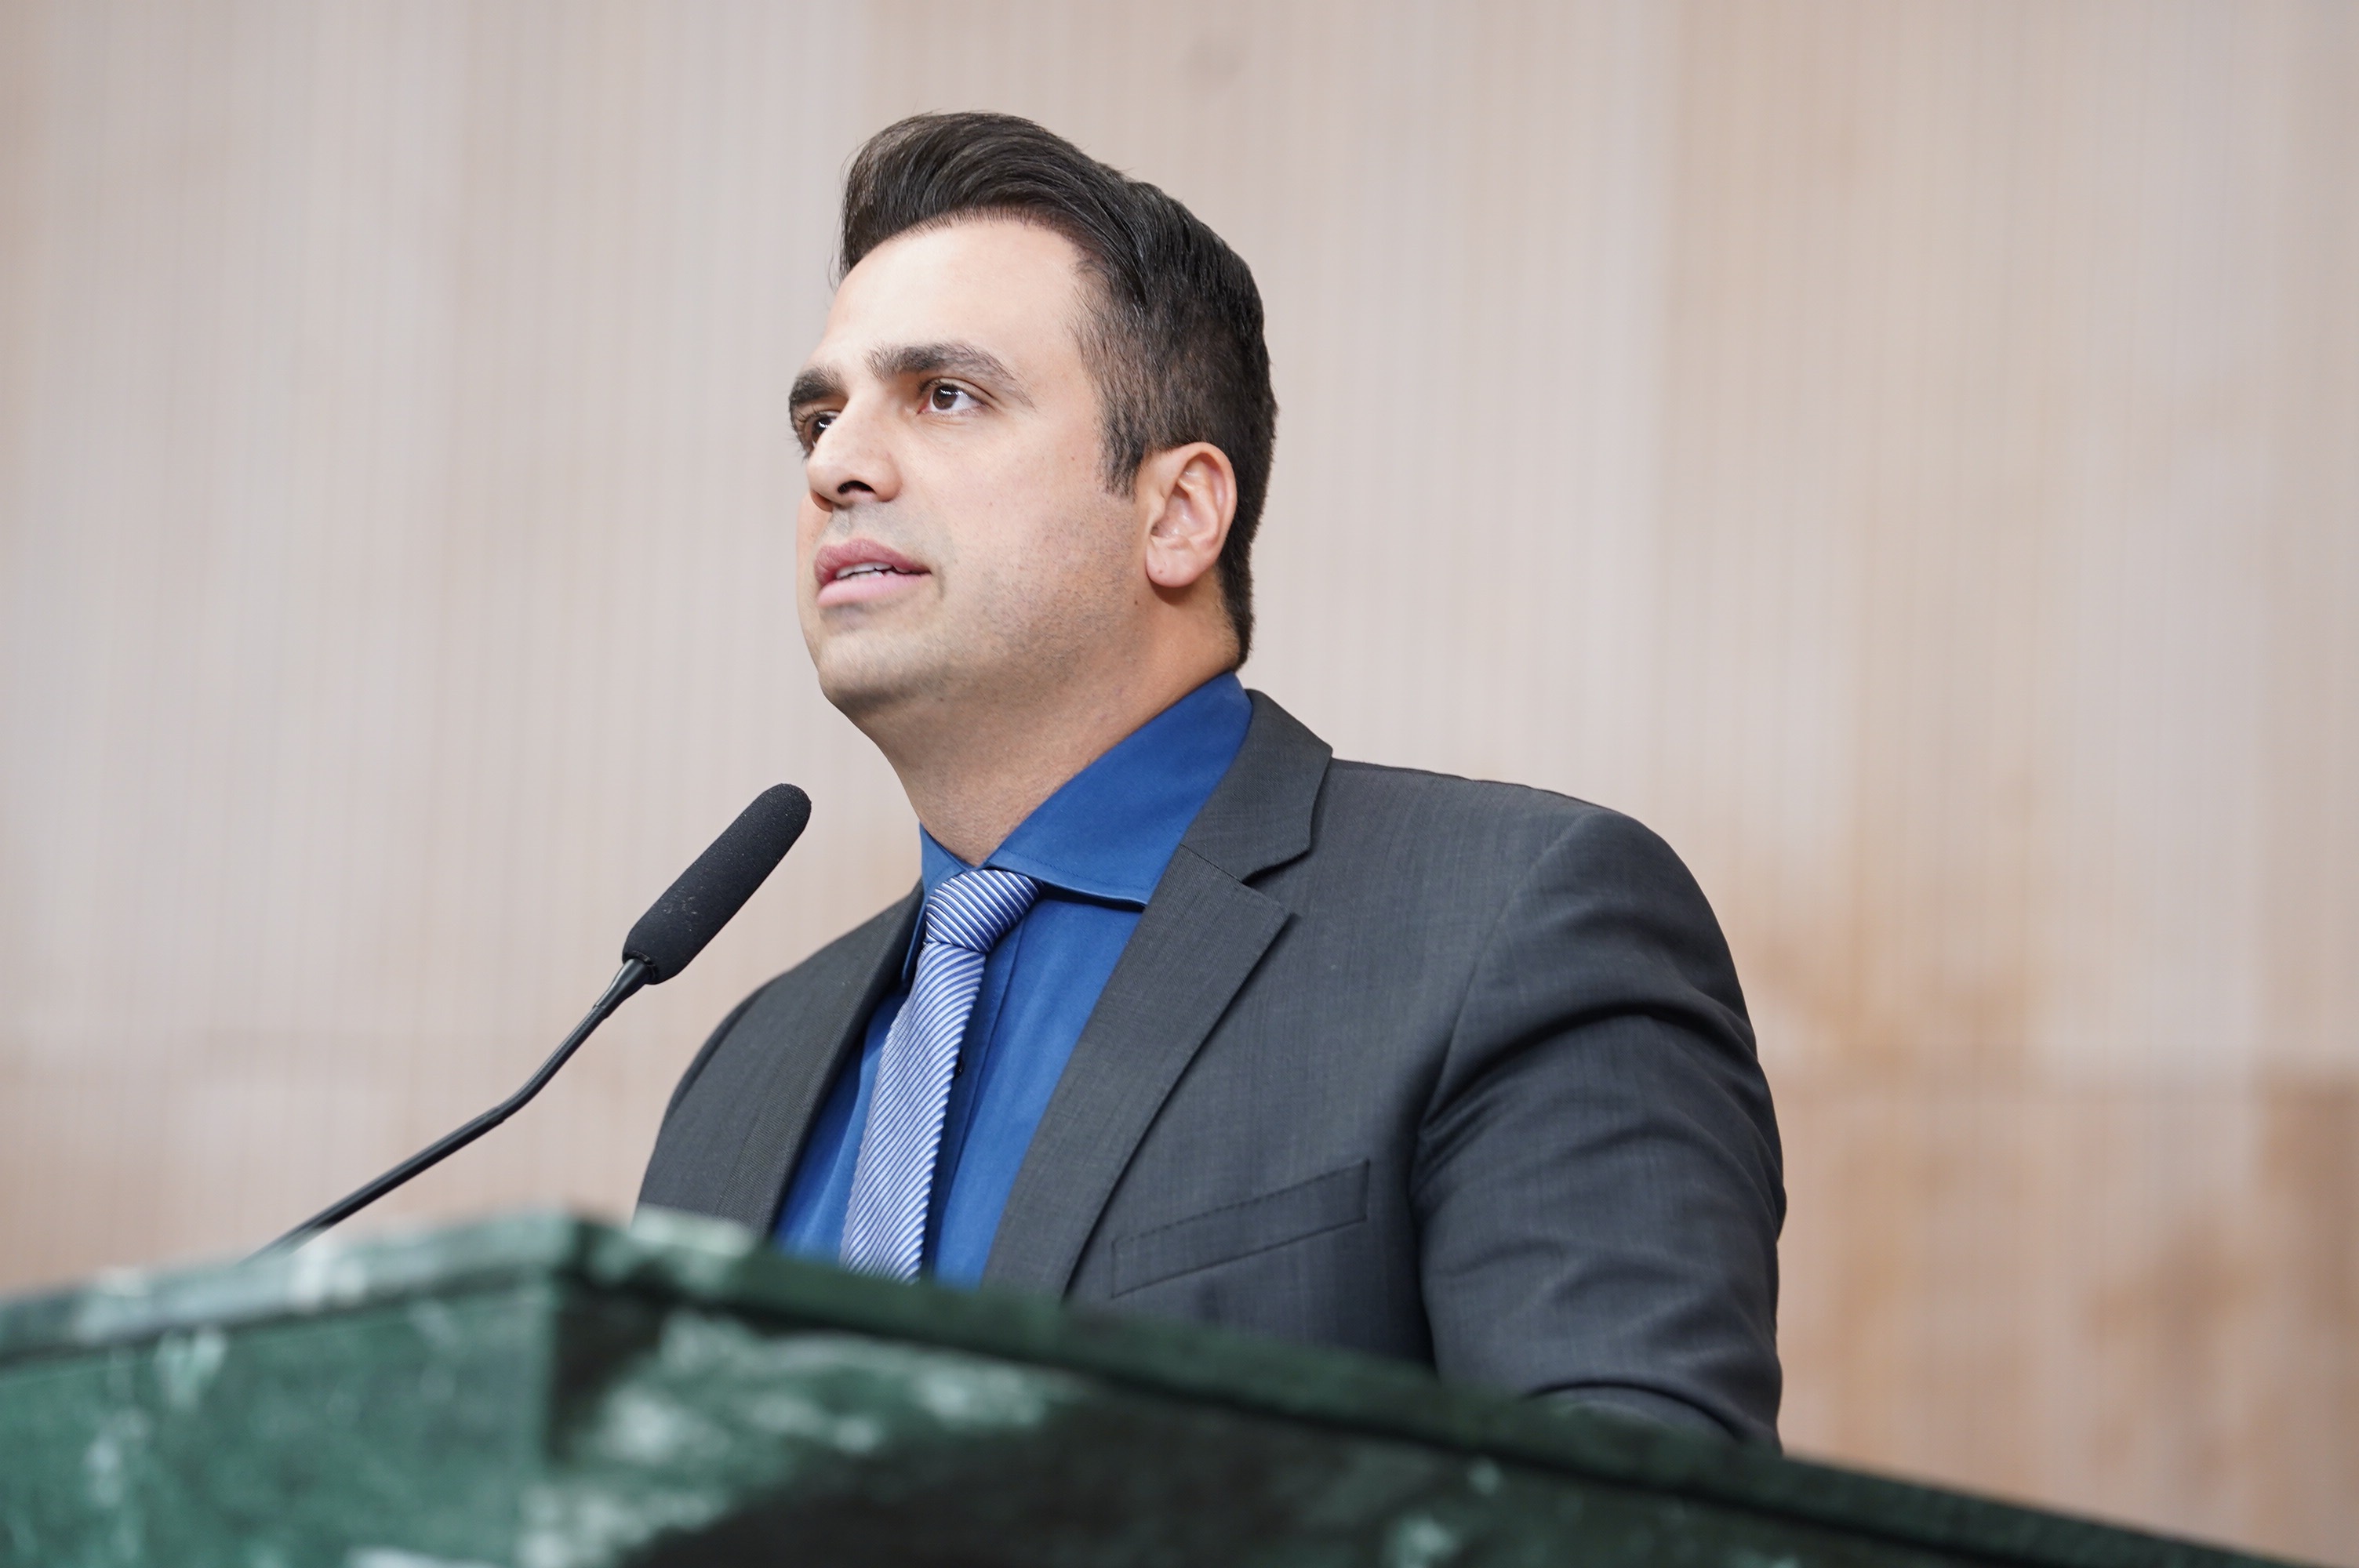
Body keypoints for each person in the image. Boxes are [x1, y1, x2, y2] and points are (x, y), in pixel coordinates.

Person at [638, 111, 1784, 1443]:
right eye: (819, 418)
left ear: (1179, 513)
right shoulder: (744, 1072)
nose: (838, 464)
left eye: (945, 395)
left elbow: (1639, 1511)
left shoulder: (1510, 928)